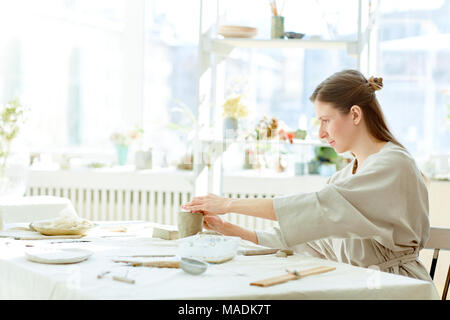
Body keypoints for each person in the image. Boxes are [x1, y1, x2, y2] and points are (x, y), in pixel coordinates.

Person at [182, 69, 433, 282]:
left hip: (397, 286)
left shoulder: (393, 165)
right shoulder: (345, 176)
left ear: (355, 114)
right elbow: (311, 239)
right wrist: (229, 229)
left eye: (326, 121)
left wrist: (229, 204)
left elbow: (317, 207)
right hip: (360, 282)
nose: (321, 133)